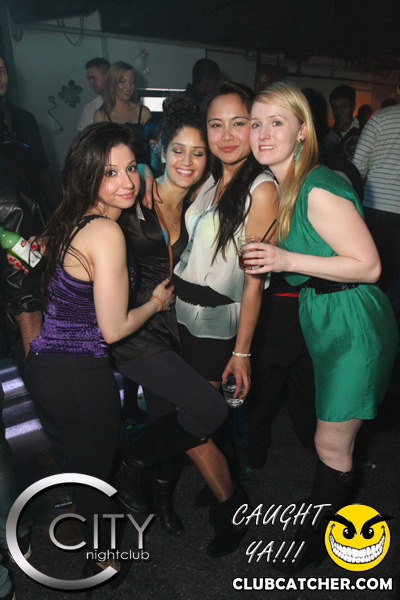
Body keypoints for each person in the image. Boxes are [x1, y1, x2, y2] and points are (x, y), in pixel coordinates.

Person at [245, 81, 398, 572]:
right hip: (327, 316)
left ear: (303, 131)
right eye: (256, 122)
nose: (263, 133)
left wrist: (285, 258)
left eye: (277, 122)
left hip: (353, 322)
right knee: (331, 439)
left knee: (331, 442)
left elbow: (369, 265)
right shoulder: (289, 185)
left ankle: (317, 543)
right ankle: (328, 523)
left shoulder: (317, 185)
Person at [24, 122, 174, 586]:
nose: (127, 181)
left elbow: (39, 262)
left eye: (131, 168)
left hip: (44, 367)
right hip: (79, 376)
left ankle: (93, 549)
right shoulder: (107, 232)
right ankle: (103, 562)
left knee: (77, 466)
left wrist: (145, 172)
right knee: (96, 475)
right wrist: (156, 303)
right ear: (88, 174)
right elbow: (112, 329)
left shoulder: (68, 216)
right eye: (111, 172)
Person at [109, 95, 244, 558]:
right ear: (159, 150)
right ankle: (130, 461)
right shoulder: (133, 194)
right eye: (178, 150)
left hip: (178, 328)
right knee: (205, 410)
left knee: (168, 420)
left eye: (198, 152)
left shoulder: (201, 202)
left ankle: (162, 500)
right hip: (135, 329)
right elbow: (87, 218)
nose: (187, 161)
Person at [174, 82, 277, 399]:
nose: (227, 136)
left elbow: (253, 283)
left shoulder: (262, 189)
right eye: (216, 125)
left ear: (255, 127)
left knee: (197, 417)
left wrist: (241, 352)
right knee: (180, 411)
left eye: (239, 123)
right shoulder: (211, 179)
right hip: (179, 314)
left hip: (214, 325)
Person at [352, 82, 400, 318]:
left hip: (376, 206)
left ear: (398, 89)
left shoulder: (381, 118)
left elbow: (358, 166)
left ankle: (372, 322)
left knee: (372, 274)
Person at [0, 56, 58, 219]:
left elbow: (42, 167)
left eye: (2, 71)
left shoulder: (25, 119)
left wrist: (57, 209)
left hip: (32, 211)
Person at [94, 61, 151, 132]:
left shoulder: (143, 112)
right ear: (113, 83)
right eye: (122, 82)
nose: (128, 87)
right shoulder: (101, 115)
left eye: (132, 82)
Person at [324, 84, 360, 160]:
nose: (340, 112)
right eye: (336, 108)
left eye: (344, 107)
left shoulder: (363, 130)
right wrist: (335, 131)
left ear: (353, 106)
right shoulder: (326, 133)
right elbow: (323, 154)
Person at [77, 57, 110, 132]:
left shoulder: (125, 103)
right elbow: (85, 137)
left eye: (94, 78)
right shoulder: (89, 110)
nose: (91, 84)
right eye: (89, 79)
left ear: (106, 76)